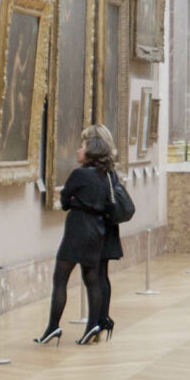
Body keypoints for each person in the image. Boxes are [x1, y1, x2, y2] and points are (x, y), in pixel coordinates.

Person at [36, 125, 128, 345]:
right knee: (93, 280)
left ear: (90, 151)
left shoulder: (79, 174)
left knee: (60, 279)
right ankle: (94, 325)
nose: (78, 149)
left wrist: (76, 201)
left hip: (77, 230)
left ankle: (52, 327)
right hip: (97, 231)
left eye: (82, 146)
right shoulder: (106, 176)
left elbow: (65, 201)